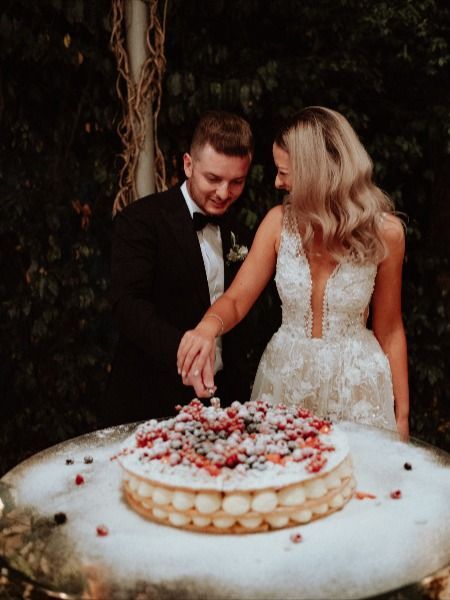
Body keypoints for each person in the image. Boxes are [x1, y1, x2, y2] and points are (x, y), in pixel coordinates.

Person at [177, 106, 410, 441]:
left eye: (285, 172)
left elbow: (390, 330)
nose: (277, 182)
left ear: (318, 171)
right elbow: (237, 299)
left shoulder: (386, 233)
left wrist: (401, 416)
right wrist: (206, 328)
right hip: (286, 380)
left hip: (358, 387)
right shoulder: (277, 224)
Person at [103, 110, 254, 425]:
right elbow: (127, 305)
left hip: (226, 399)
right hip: (151, 398)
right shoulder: (141, 221)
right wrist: (186, 350)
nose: (224, 193)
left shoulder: (241, 229)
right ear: (188, 164)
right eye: (213, 179)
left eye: (236, 182)